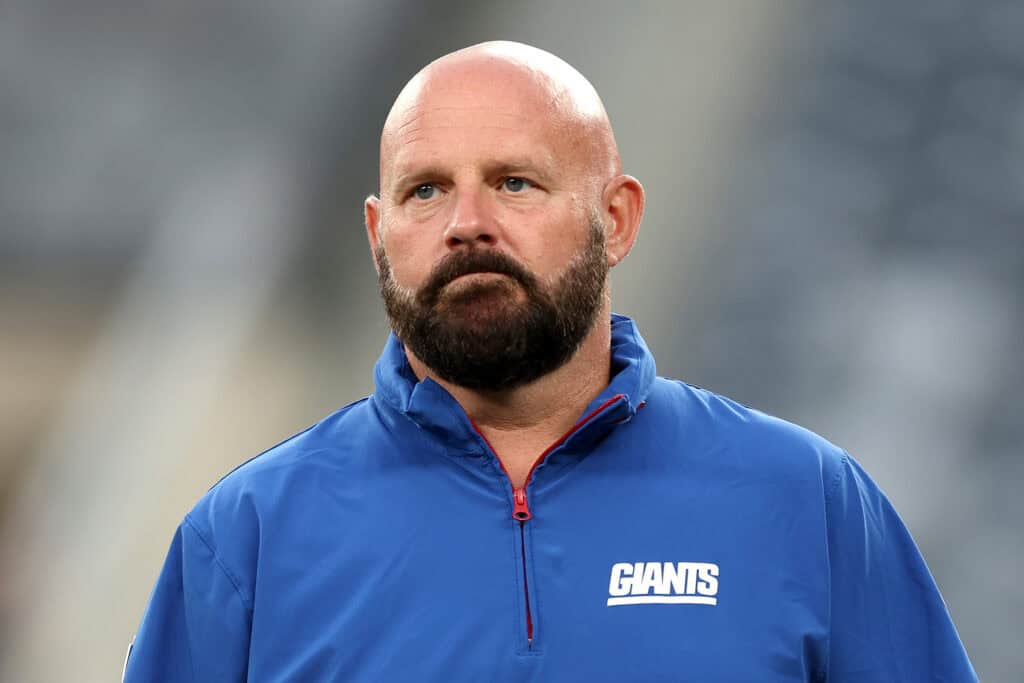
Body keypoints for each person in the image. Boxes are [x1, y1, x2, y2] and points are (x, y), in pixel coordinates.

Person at [124, 41, 977, 682]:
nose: (467, 222)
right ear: (379, 234)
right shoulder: (247, 537)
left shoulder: (806, 501)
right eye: (426, 190)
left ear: (617, 218)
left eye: (515, 182)